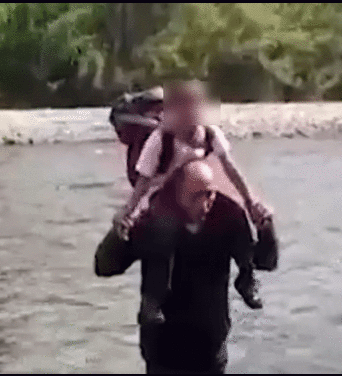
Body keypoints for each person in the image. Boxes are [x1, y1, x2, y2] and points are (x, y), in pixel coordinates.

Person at [112, 80, 271, 325]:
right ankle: (152, 301)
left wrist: (249, 201)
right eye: (185, 107)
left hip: (198, 191)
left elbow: (231, 169)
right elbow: (144, 182)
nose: (192, 113)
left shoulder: (210, 134)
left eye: (197, 106)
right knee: (161, 235)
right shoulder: (159, 139)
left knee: (236, 217)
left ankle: (247, 279)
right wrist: (129, 210)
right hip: (166, 194)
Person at [95, 159, 276, 374]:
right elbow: (105, 267)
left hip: (209, 347)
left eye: (209, 193)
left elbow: (264, 262)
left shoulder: (227, 217)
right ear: (177, 194)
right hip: (163, 348)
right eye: (196, 196)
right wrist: (116, 234)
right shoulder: (154, 220)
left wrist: (266, 229)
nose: (207, 202)